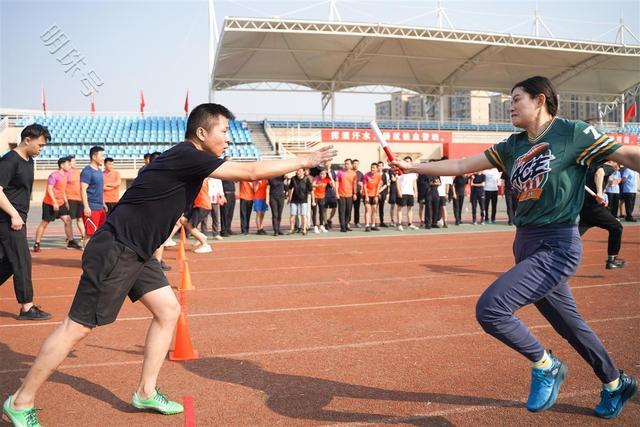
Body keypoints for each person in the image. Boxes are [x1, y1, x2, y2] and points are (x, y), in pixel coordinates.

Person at [2, 103, 336, 427]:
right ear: (202, 132)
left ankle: (145, 392)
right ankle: (20, 401)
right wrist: (305, 159)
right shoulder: (191, 155)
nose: (228, 137)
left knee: (168, 311)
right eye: (223, 130)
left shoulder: (185, 157)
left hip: (137, 251)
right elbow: (248, 171)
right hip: (117, 249)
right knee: (77, 327)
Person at [392, 76, 639, 418]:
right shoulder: (512, 145)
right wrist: (412, 165)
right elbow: (462, 166)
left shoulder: (573, 133)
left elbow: (625, 154)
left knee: (491, 309)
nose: (510, 106)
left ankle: (546, 365)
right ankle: (616, 384)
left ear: (540, 100)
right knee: (571, 326)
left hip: (557, 245)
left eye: (516, 99)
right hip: (525, 242)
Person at [0, 124, 53, 321]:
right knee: (22, 261)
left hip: (16, 219)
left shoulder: (29, 160)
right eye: (39, 144)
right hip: (8, 220)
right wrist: (14, 215)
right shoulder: (9, 161)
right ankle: (26, 308)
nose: (41, 148)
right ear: (27, 139)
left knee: (7, 262)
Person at [578, 161, 626, 269]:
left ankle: (549, 253)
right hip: (594, 208)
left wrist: (603, 191)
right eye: (619, 165)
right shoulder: (607, 166)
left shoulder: (589, 167)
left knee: (573, 235)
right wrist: (599, 192)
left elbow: (603, 178)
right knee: (616, 227)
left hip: (583, 207)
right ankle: (612, 260)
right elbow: (599, 173)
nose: (618, 168)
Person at [33, 157, 77, 252]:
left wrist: (66, 202)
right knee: (44, 223)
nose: (69, 166)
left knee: (68, 220)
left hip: (61, 203)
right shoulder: (54, 175)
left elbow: (62, 190)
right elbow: (49, 189)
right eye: (68, 164)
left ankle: (71, 241)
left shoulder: (66, 175)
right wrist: (54, 202)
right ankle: (37, 243)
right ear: (61, 165)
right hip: (50, 203)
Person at [80, 146, 106, 246]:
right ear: (94, 156)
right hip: (91, 207)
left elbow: (99, 188)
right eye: (101, 155)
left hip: (100, 207)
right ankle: (87, 259)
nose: (103, 158)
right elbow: (83, 189)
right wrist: (86, 207)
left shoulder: (99, 171)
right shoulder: (87, 171)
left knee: (100, 233)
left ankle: (96, 256)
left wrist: (103, 203)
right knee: (89, 234)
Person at [65, 156, 86, 248]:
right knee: (69, 220)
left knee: (80, 219)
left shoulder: (78, 171)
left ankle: (84, 236)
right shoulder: (66, 173)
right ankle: (70, 239)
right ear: (69, 163)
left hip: (79, 199)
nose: (75, 163)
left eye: (75, 161)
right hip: (70, 199)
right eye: (73, 161)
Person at [395, 157, 419, 231]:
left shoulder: (413, 173)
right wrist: (399, 191)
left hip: (410, 193)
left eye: (408, 161)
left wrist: (416, 192)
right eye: (406, 161)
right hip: (403, 192)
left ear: (410, 163)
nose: (407, 162)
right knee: (400, 208)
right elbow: (397, 182)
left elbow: (414, 183)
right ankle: (399, 224)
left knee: (410, 209)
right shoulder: (399, 171)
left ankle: (410, 224)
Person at [288, 168, 313, 235]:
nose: (298, 172)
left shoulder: (306, 179)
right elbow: (290, 189)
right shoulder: (293, 179)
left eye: (299, 171)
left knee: (303, 215)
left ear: (303, 172)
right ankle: (292, 229)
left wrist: (313, 200)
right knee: (292, 214)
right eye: (297, 171)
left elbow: (311, 190)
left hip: (303, 199)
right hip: (294, 199)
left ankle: (304, 229)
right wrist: (289, 198)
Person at [336, 159, 357, 232]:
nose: (346, 165)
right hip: (341, 194)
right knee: (342, 211)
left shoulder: (354, 173)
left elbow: (354, 184)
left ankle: (346, 224)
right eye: (345, 164)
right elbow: (337, 182)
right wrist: (337, 193)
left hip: (350, 195)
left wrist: (355, 193)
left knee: (348, 211)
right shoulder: (340, 172)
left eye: (348, 164)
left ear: (351, 165)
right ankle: (342, 227)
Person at [363, 162, 382, 231]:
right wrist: (366, 196)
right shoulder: (366, 175)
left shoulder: (379, 176)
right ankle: (367, 225)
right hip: (367, 194)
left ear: (377, 169)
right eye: (371, 167)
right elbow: (364, 186)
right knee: (367, 209)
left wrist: (376, 196)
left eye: (374, 168)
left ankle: (373, 225)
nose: (372, 169)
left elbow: (378, 186)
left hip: (374, 195)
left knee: (374, 209)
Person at [311, 169, 331, 233]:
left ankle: (321, 226)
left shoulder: (327, 179)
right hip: (315, 197)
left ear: (326, 174)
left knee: (321, 212)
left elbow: (332, 184)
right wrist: (318, 185)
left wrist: (330, 176)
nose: (322, 175)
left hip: (322, 197)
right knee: (314, 212)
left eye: (323, 174)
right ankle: (315, 226)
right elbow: (313, 185)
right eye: (321, 174)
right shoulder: (316, 178)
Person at [220, 157, 236, 236]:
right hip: (226, 193)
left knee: (230, 212)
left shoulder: (232, 171)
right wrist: (222, 195)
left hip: (232, 193)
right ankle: (223, 230)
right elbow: (220, 184)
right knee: (225, 213)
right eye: (229, 161)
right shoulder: (222, 171)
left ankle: (228, 228)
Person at [323, 161, 338, 229]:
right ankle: (325, 223)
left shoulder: (333, 172)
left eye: (329, 163)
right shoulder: (322, 172)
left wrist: (331, 177)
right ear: (324, 164)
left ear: (331, 164)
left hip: (332, 193)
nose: (327, 164)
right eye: (326, 163)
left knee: (334, 209)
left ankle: (329, 219)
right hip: (324, 193)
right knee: (324, 209)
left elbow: (334, 182)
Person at [351, 159, 364, 228]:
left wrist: (361, 188)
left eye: (357, 164)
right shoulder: (349, 172)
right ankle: (347, 222)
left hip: (358, 193)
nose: (356, 165)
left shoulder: (360, 173)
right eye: (354, 163)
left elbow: (363, 183)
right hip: (350, 193)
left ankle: (357, 222)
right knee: (349, 208)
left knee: (357, 208)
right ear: (352, 164)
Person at [377, 161, 390, 227]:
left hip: (382, 193)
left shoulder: (386, 175)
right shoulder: (375, 174)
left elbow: (387, 184)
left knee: (381, 208)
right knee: (374, 207)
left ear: (382, 166)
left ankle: (381, 222)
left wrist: (379, 191)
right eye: (378, 166)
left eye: (381, 166)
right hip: (375, 193)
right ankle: (374, 222)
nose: (379, 167)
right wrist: (377, 192)